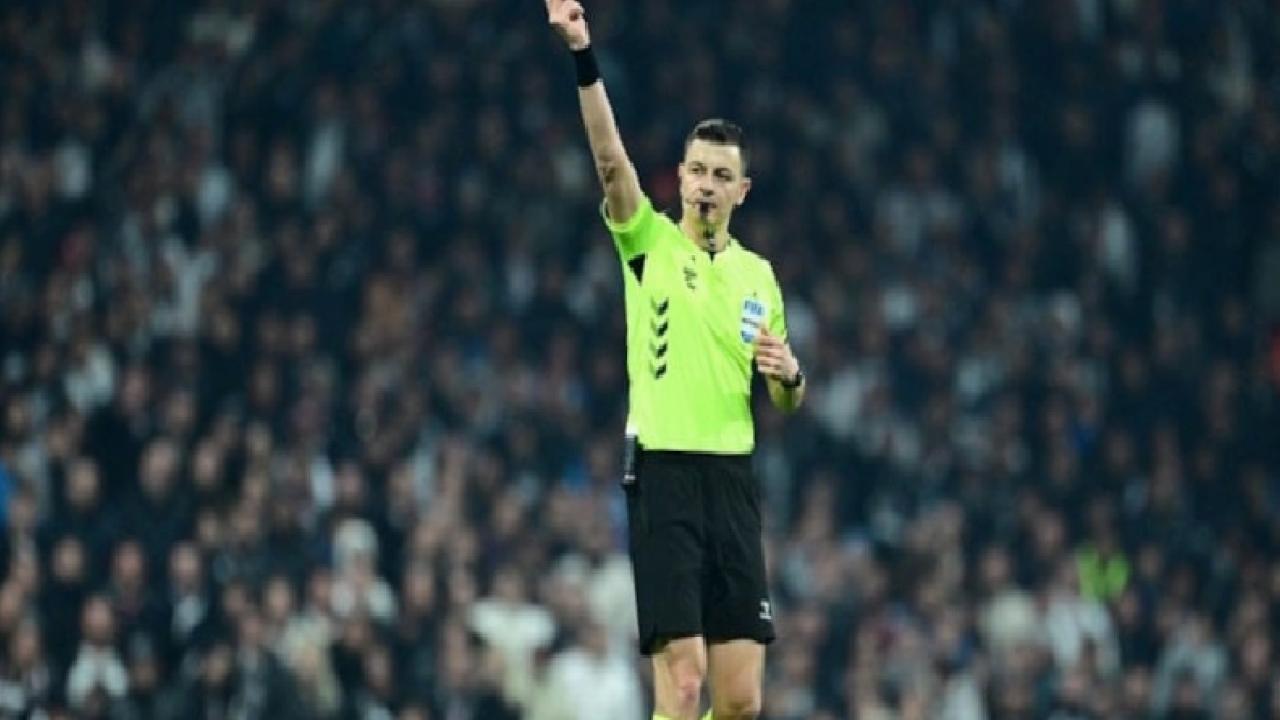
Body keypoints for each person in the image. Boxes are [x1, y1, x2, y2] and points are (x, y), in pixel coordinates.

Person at [544, 2, 807, 718]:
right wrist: (583, 55)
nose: (706, 184)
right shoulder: (649, 244)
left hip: (733, 481)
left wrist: (790, 376)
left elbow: (785, 399)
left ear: (742, 190)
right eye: (696, 171)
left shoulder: (759, 277)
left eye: (721, 174)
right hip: (664, 474)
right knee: (685, 683)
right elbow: (609, 160)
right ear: (681, 179)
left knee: (741, 701)